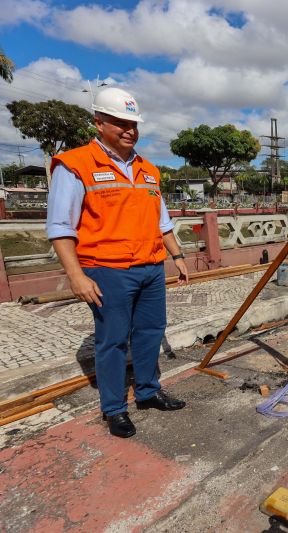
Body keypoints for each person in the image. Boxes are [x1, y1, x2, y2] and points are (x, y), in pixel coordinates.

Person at [46, 87, 189, 439]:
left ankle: (148, 391)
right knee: (112, 340)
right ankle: (113, 409)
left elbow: (162, 221)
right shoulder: (76, 165)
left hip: (150, 267)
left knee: (150, 331)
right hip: (107, 270)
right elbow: (60, 226)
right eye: (120, 123)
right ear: (99, 123)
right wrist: (76, 276)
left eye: (133, 124)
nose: (129, 130)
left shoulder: (148, 170)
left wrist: (177, 256)